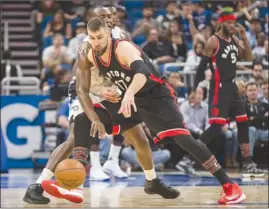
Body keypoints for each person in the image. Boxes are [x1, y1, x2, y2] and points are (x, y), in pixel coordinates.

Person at [68, 17, 246, 205]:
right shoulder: (88, 53)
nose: (96, 42)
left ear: (108, 35)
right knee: (83, 119)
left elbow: (142, 73)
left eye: (100, 37)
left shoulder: (122, 47)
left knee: (184, 140)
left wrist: (128, 93)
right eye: (92, 38)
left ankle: (230, 186)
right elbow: (82, 89)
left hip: (156, 96)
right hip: (130, 98)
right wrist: (96, 116)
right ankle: (75, 183)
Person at [23, 7, 179, 205]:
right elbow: (81, 85)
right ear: (93, 21)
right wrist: (99, 94)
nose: (110, 19)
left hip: (112, 93)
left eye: (111, 16)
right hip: (87, 92)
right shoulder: (87, 45)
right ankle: (38, 185)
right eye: (104, 17)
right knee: (75, 137)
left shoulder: (121, 35)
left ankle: (151, 180)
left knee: (139, 138)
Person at [184, 9, 265, 178]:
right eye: (228, 23)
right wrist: (193, 89)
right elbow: (201, 67)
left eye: (233, 23)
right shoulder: (213, 41)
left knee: (243, 122)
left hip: (232, 86)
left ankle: (248, 162)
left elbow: (249, 58)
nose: (231, 26)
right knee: (216, 127)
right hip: (218, 87)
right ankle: (188, 159)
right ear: (221, 23)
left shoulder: (235, 39)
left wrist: (243, 36)